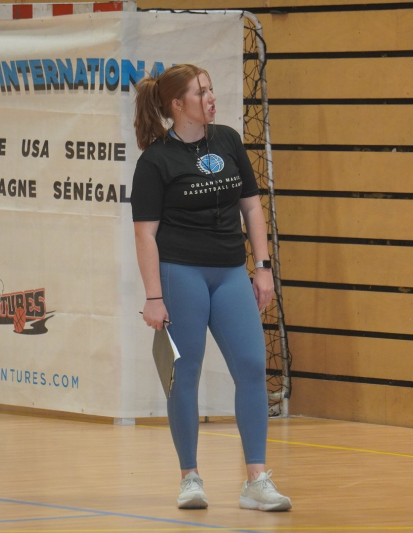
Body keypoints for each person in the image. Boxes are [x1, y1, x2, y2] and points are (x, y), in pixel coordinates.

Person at [130, 63, 291, 512]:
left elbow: (252, 208)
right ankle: (190, 478)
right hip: (181, 273)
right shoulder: (156, 160)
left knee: (252, 366)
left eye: (210, 89)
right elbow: (145, 235)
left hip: (229, 272)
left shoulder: (228, 140)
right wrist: (154, 296)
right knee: (186, 374)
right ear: (177, 104)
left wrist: (262, 267)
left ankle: (256, 481)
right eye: (201, 93)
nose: (211, 98)